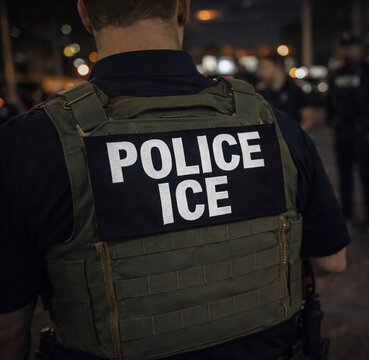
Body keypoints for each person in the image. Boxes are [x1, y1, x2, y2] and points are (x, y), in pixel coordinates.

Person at [0, 1, 350, 359]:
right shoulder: (273, 125)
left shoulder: (30, 145)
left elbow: (8, 329)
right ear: (182, 9)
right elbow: (331, 263)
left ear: (86, 16)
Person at [327, 33, 369, 229]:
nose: (347, 50)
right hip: (343, 132)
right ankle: (347, 213)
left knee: (367, 177)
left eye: (351, 46)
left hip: (364, 132)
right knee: (345, 176)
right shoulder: (337, 72)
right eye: (344, 46)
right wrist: (331, 125)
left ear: (359, 48)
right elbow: (330, 101)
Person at [257, 54, 313, 131]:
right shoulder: (261, 92)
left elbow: (308, 120)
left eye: (265, 67)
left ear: (277, 67)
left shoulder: (296, 91)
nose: (261, 72)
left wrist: (292, 135)